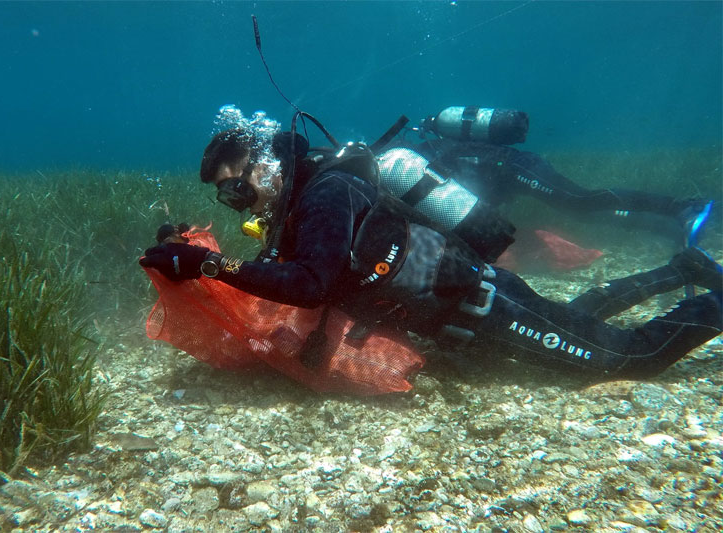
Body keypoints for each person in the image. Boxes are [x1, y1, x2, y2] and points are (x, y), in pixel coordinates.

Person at [140, 122, 722, 380]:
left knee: (629, 358)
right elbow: (289, 273)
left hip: (482, 308)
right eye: (224, 194)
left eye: (236, 185)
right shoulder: (300, 208)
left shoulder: (325, 195)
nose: (236, 202)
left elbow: (310, 285)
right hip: (470, 307)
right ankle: (680, 270)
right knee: (580, 319)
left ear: (268, 162)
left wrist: (211, 264)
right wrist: (187, 249)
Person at [402, 106, 716, 246]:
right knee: (588, 214)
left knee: (582, 201)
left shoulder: (421, 158)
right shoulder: (425, 152)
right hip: (510, 173)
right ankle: (671, 229)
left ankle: (682, 207)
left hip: (516, 168)